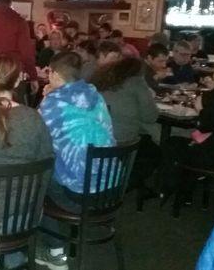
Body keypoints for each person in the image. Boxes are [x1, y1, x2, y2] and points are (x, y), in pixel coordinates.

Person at [36, 52, 114, 268]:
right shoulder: (95, 96)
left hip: (78, 194)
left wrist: (45, 99)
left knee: (35, 181)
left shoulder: (53, 104)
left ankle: (56, 251)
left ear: (53, 73)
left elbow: (35, 136)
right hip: (109, 187)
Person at [91, 57, 160, 199]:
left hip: (98, 139)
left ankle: (119, 180)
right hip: (124, 143)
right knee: (156, 151)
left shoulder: (100, 80)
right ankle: (126, 183)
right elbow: (151, 117)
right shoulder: (137, 82)